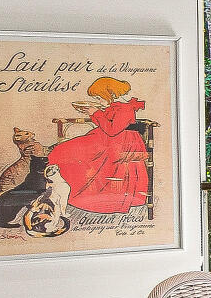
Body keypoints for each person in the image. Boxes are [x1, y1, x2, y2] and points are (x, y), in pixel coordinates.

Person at [50, 75, 156, 219]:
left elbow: (112, 130)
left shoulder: (125, 109)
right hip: (106, 140)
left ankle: (88, 194)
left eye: (99, 98)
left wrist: (96, 113)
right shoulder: (115, 106)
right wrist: (94, 113)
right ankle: (67, 187)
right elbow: (106, 125)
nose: (98, 102)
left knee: (70, 151)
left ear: (110, 95)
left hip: (118, 144)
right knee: (64, 150)